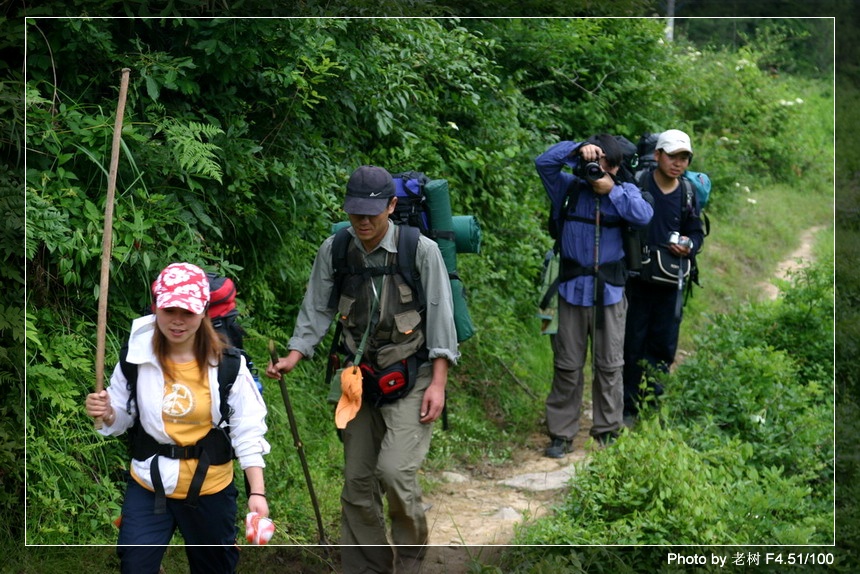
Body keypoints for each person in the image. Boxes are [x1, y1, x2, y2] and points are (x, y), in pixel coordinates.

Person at [266, 165, 459, 573]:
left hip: (412, 374)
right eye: (355, 211)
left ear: (391, 206)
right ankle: (369, 566)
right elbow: (317, 308)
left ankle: (410, 559)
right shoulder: (336, 249)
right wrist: (295, 355)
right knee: (357, 483)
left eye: (372, 212)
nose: (363, 220)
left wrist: (438, 383)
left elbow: (442, 316)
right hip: (358, 377)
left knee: (395, 472)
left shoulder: (420, 250)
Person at [85, 262, 271, 574]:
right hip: (149, 483)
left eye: (188, 312)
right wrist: (108, 412)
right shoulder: (136, 357)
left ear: (204, 311)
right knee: (135, 566)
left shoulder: (227, 365)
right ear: (156, 307)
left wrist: (257, 493)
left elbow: (248, 431)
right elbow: (122, 418)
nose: (177, 320)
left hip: (211, 489)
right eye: (169, 310)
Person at [535, 135, 654, 458]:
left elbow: (643, 215)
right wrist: (576, 149)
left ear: (616, 166)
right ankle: (561, 434)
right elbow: (543, 162)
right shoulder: (568, 188)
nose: (599, 169)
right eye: (595, 163)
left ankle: (607, 431)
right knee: (567, 365)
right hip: (570, 290)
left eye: (607, 164)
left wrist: (610, 189)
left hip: (610, 293)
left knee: (610, 365)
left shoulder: (626, 191)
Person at [623, 129, 705, 423]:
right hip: (638, 280)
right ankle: (628, 406)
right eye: (672, 156)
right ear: (657, 155)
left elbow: (696, 232)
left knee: (664, 345)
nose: (678, 163)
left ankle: (652, 404)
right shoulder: (639, 183)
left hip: (671, 283)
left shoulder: (687, 193)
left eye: (684, 158)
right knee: (633, 343)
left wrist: (689, 245)